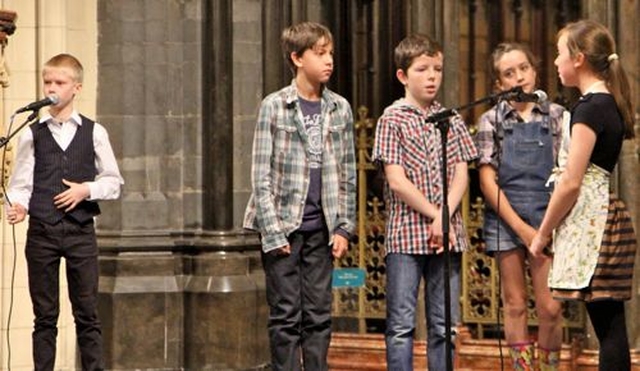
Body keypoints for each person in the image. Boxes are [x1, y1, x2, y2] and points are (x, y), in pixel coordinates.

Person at [242, 22, 356, 371]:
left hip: (321, 230)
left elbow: (348, 174)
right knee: (286, 316)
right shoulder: (275, 106)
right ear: (297, 58)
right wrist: (274, 233)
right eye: (320, 53)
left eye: (330, 53)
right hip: (284, 230)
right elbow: (261, 175)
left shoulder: (339, 108)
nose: (329, 60)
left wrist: (343, 228)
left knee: (319, 315)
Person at [529, 20, 637, 371]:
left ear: (578, 59)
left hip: (595, 223)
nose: (556, 63)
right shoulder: (605, 103)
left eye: (559, 54)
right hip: (602, 216)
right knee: (610, 323)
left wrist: (543, 232)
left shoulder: (590, 108)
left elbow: (571, 182)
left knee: (608, 327)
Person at [4, 53, 123, 371]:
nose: (52, 88)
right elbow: (21, 183)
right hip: (42, 232)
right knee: (45, 316)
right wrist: (18, 205)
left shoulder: (94, 133)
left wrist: (86, 190)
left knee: (87, 314)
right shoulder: (32, 133)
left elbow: (114, 182)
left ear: (76, 87)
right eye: (48, 82)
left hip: (80, 232)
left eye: (60, 82)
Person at [372, 34, 478, 371]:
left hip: (447, 234)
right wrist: (436, 214)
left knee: (444, 324)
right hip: (406, 234)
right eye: (422, 69)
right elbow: (396, 180)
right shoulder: (392, 119)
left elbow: (462, 172)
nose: (432, 76)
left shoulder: (450, 118)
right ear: (403, 76)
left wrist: (445, 215)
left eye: (437, 69)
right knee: (402, 325)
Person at [474, 43, 565, 370]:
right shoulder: (491, 119)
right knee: (514, 304)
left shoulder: (556, 116)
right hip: (506, 217)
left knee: (550, 307)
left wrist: (542, 228)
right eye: (509, 73)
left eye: (523, 69)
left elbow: (566, 174)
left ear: (535, 71)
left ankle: (549, 366)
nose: (518, 77)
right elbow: (487, 182)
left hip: (547, 216)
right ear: (498, 84)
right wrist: (521, 228)